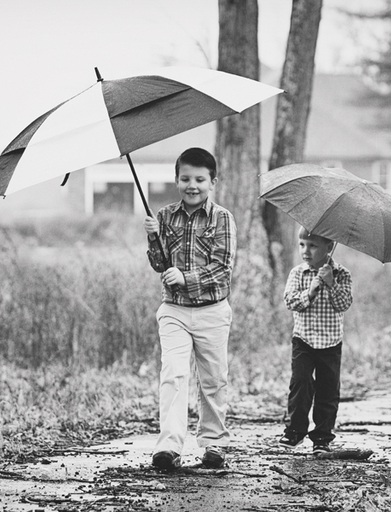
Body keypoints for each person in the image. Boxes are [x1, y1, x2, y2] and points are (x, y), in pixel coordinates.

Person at [143, 147, 236, 470]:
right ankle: (169, 446)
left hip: (212, 310)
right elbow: (159, 264)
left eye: (199, 179)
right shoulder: (165, 216)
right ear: (176, 180)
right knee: (173, 374)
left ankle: (214, 443)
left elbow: (222, 268)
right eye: (185, 179)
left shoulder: (222, 218)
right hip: (175, 311)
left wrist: (186, 277)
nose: (192, 185)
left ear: (213, 182)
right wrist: (153, 238)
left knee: (213, 379)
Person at [279, 226, 353, 455]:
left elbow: (343, 304)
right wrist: (310, 292)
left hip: (331, 343)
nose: (305, 250)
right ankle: (295, 430)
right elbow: (290, 302)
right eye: (302, 245)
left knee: (328, 390)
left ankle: (322, 436)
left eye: (312, 246)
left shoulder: (342, 274)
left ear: (329, 247)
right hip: (304, 340)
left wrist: (331, 284)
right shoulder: (297, 273)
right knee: (300, 384)